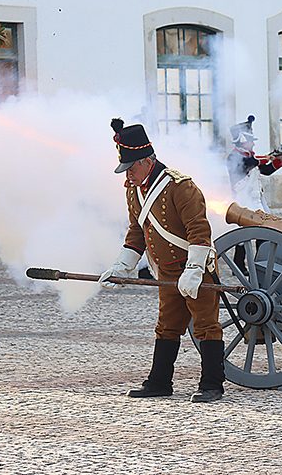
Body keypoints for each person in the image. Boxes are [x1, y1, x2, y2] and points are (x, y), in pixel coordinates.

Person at [99, 118, 225, 403]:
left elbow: (199, 229)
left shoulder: (181, 187)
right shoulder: (133, 190)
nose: (128, 175)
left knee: (206, 325)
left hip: (195, 269)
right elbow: (137, 230)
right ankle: (159, 381)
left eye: (131, 168)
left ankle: (212, 384)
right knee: (166, 326)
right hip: (166, 271)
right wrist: (122, 265)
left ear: (146, 161)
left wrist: (194, 269)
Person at [225, 115, 282, 274]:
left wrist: (279, 160)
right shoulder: (235, 157)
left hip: (256, 198)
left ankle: (262, 263)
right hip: (243, 199)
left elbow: (265, 171)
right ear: (242, 140)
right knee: (244, 235)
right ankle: (239, 264)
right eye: (250, 140)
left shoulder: (251, 156)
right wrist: (265, 157)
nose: (253, 143)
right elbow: (247, 165)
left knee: (265, 229)